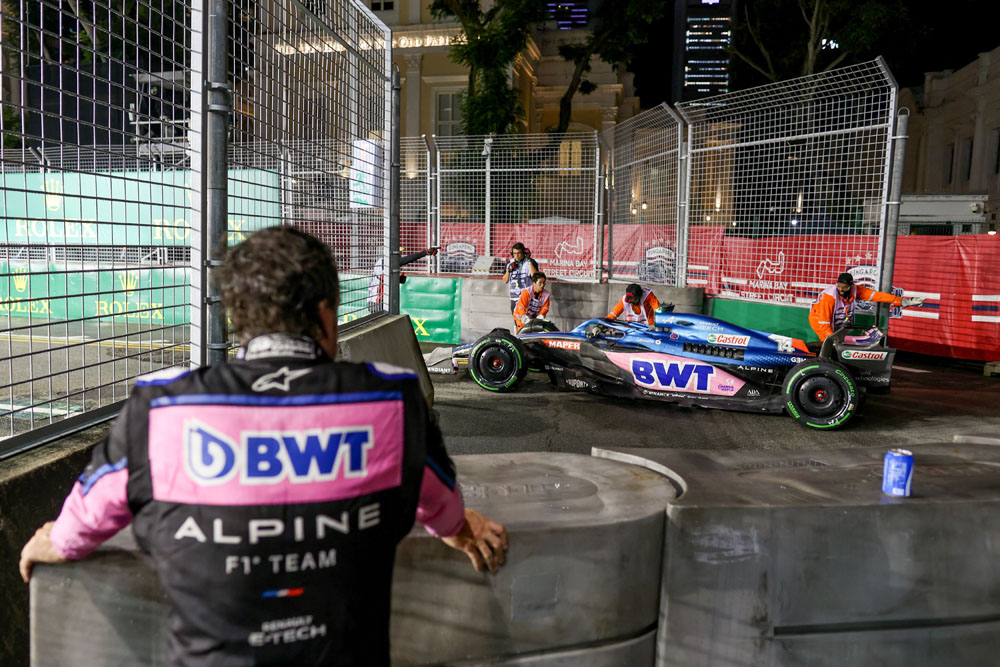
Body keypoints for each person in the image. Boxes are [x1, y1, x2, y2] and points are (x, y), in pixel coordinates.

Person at [20, 227, 507, 666]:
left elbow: (89, 514)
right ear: (324, 313)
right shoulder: (393, 399)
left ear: (237, 318)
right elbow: (440, 503)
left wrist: (57, 539)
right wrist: (456, 528)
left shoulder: (160, 407)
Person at [808, 271, 925, 342]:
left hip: (837, 321)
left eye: (844, 287)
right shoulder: (829, 297)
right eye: (839, 286)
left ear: (851, 285)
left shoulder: (857, 290)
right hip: (819, 320)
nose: (841, 290)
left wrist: (903, 302)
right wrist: (832, 339)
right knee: (830, 344)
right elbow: (824, 324)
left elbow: (879, 296)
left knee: (838, 343)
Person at [368, 246, 439, 314]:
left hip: (380, 300)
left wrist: (398, 279)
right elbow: (405, 260)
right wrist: (425, 253)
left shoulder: (385, 263)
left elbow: (385, 279)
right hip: (376, 301)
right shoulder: (384, 262)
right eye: (398, 254)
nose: (400, 255)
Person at [503, 242, 538, 313]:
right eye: (514, 253)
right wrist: (508, 270)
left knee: (528, 319)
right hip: (514, 297)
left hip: (528, 297)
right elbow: (505, 281)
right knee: (517, 321)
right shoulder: (509, 263)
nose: (517, 256)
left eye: (519, 253)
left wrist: (529, 260)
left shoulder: (531, 262)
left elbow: (535, 277)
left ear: (524, 252)